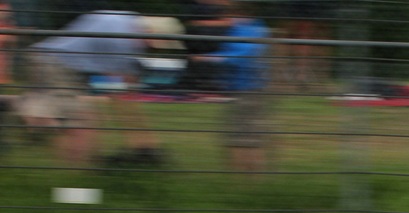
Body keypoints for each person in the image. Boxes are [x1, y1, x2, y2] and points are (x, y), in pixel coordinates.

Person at [21, 8, 164, 167]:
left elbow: (123, 85)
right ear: (149, 32)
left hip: (51, 60)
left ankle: (33, 115)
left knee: (80, 119)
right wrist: (143, 143)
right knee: (82, 122)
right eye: (152, 42)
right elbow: (119, 91)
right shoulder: (122, 41)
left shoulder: (126, 19)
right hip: (55, 64)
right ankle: (81, 173)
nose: (150, 46)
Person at [191, 1, 269, 173]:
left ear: (240, 15)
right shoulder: (247, 28)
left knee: (244, 136)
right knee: (242, 134)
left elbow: (242, 55)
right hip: (241, 88)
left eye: (228, 16)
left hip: (250, 89)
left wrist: (209, 58)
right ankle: (245, 176)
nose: (226, 19)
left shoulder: (251, 30)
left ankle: (247, 176)